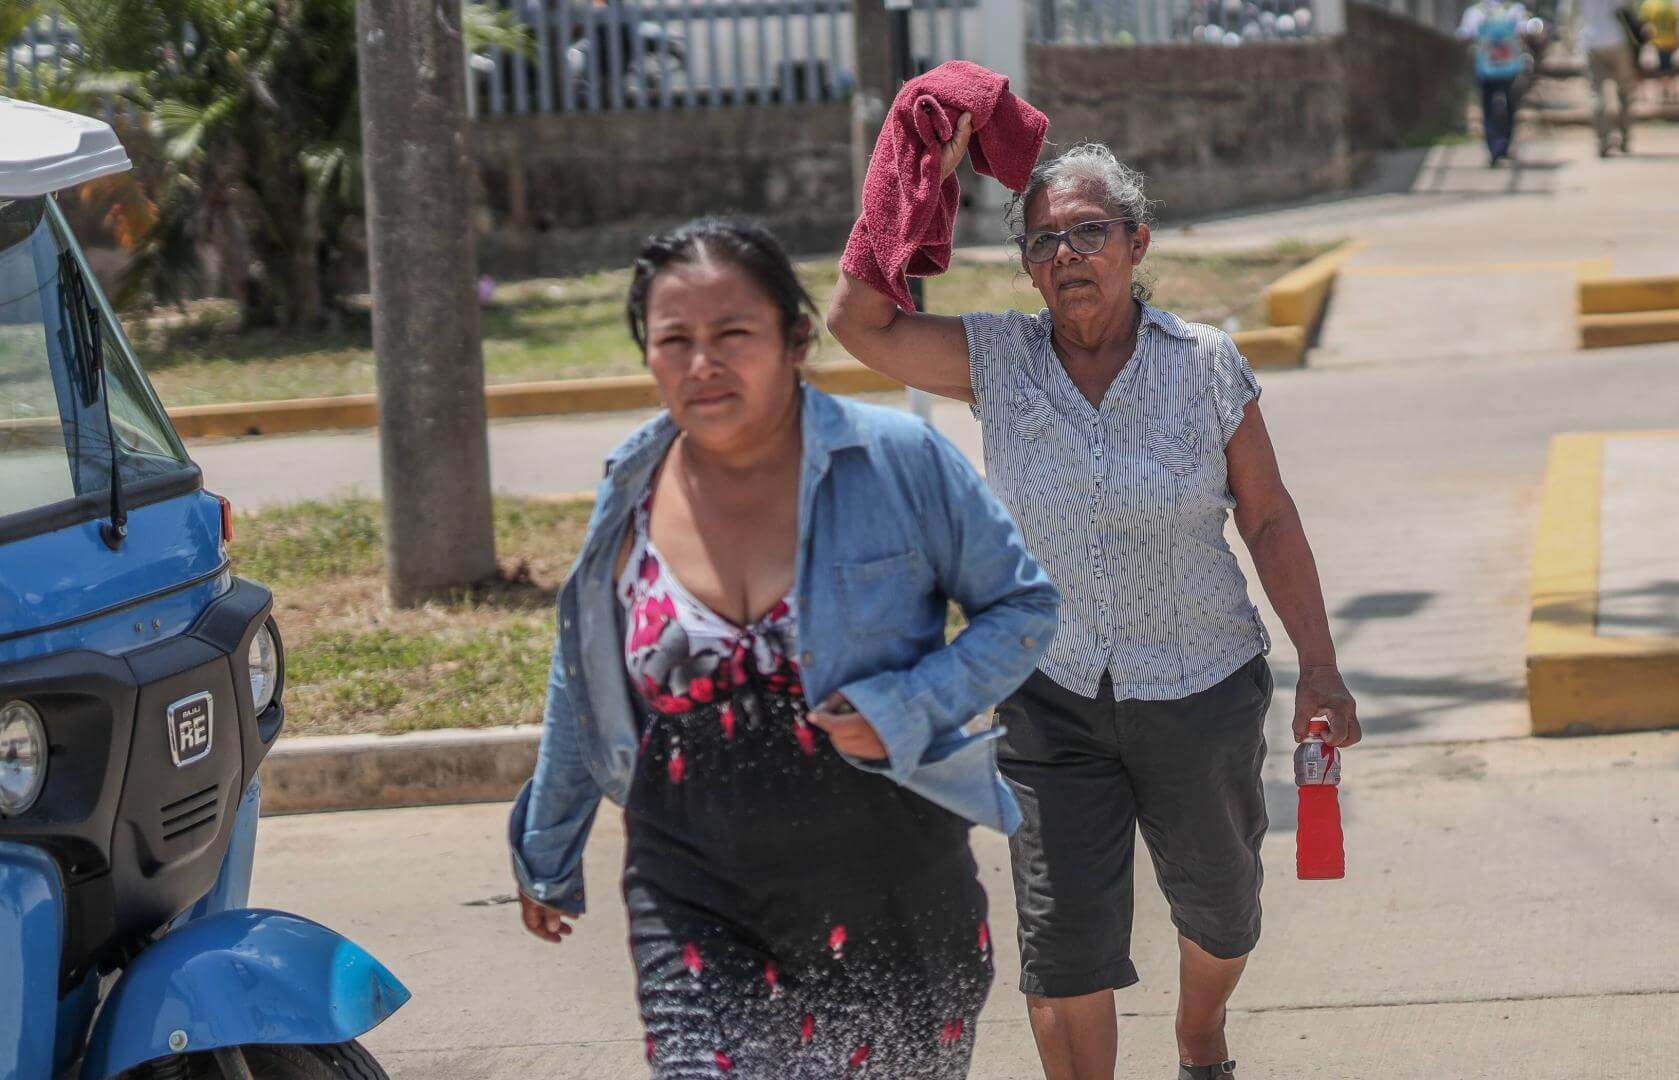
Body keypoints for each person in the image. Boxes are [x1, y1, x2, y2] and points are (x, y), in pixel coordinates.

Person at [828, 140, 1361, 1080]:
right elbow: (859, 323)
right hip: (1049, 693)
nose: (1067, 254)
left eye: (1088, 232)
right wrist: (918, 171)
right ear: (1028, 266)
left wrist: (1318, 666)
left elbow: (1269, 518)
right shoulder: (995, 357)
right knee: (1060, 945)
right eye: (1044, 242)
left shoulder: (1204, 366)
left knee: (1222, 909)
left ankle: (1199, 1035)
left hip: (1200, 685)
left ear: (1136, 243)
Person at [508, 217, 1059, 1078]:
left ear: (796, 338)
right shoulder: (628, 488)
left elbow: (1021, 607)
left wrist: (905, 706)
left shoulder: (896, 461)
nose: (702, 364)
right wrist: (546, 850)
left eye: (733, 334)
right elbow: (579, 680)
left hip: (891, 892)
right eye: (674, 340)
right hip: (690, 891)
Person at [1458, 0, 1533, 165]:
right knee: (1510, 107)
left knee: (1488, 109)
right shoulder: (1514, 9)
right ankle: (1502, 146)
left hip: (1485, 67)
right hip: (1509, 68)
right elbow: (1525, 32)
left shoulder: (1476, 12)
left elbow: (1465, 34)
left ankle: (1495, 147)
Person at [1573, 0, 1642, 154]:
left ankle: (1602, 140)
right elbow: (1630, 8)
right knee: (1624, 91)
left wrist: (1570, 42)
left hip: (1591, 40)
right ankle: (1624, 137)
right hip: (1618, 40)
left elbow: (1568, 14)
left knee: (1596, 93)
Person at [1642, 0, 1679, 100]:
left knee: (1663, 69)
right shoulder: (1672, 4)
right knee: (1672, 69)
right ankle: (1672, 91)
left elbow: (1646, 26)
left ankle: (1666, 91)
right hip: (1672, 42)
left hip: (1658, 43)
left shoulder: (1649, 4)